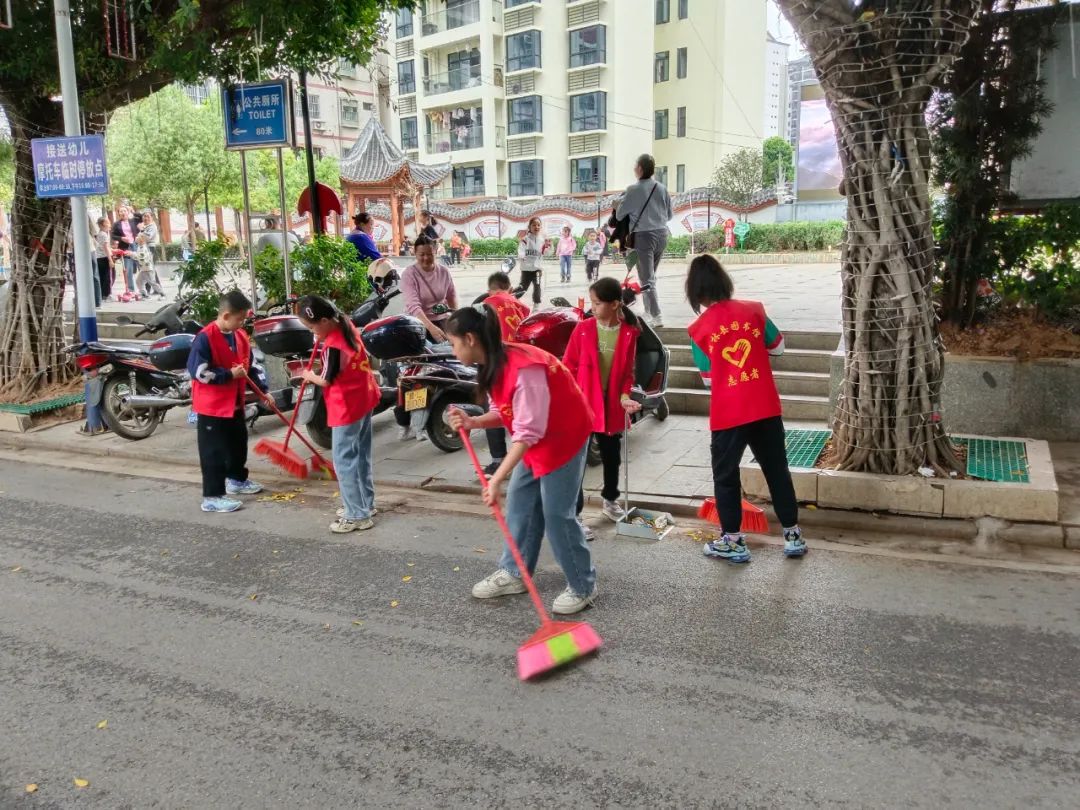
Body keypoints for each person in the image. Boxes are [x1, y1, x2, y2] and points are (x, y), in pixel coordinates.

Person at [445, 305, 598, 615]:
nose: (452, 350)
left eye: (453, 343)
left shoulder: (525, 369)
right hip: (536, 437)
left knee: (557, 515)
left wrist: (497, 478)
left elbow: (528, 431)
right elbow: (506, 413)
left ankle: (583, 585)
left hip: (563, 436)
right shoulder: (492, 364)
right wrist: (473, 422)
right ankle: (515, 572)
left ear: (470, 339)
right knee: (520, 503)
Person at [685, 254, 806, 563]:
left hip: (729, 414)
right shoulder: (754, 310)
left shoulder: (698, 329)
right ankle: (792, 535)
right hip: (764, 406)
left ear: (695, 292)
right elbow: (779, 348)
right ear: (724, 282)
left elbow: (709, 380)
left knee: (726, 476)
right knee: (777, 470)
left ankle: (733, 541)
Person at [563, 277, 641, 540]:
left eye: (597, 303)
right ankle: (575, 516)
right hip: (583, 404)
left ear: (615, 304)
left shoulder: (629, 333)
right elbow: (568, 366)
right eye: (592, 303)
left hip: (611, 407)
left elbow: (628, 373)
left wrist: (625, 396)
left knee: (611, 457)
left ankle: (610, 500)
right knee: (578, 463)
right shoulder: (583, 329)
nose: (592, 308)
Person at [297, 295, 382, 534]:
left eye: (312, 327)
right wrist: (320, 337)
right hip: (364, 398)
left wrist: (308, 375)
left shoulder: (333, 346)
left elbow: (325, 379)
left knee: (344, 461)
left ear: (325, 321)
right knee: (361, 455)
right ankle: (366, 504)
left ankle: (356, 515)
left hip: (346, 407)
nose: (312, 332)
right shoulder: (347, 325)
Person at [186, 290, 267, 513]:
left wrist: (263, 391)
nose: (242, 323)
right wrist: (229, 375)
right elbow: (199, 372)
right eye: (240, 319)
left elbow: (251, 367)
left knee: (237, 444)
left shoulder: (240, 336)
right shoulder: (205, 338)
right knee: (213, 452)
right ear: (226, 315)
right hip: (212, 407)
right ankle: (212, 496)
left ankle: (237, 479)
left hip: (235, 403)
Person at [615, 154, 673, 327]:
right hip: (662, 235)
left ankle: (656, 315)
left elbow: (619, 215)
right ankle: (649, 311)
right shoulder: (662, 188)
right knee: (650, 276)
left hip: (643, 236)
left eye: (635, 165)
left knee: (647, 279)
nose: (634, 168)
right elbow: (669, 215)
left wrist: (617, 205)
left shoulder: (633, 190)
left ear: (640, 168)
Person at [482, 271, 531, 476]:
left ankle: (498, 460)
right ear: (510, 289)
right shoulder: (522, 306)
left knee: (494, 409)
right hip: (522, 363)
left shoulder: (487, 303)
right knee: (520, 411)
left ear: (489, 290)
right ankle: (524, 457)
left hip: (498, 362)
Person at [401, 235, 458, 344]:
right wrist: (431, 328)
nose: (426, 258)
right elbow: (413, 306)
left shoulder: (444, 271)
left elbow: (451, 296)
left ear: (435, 252)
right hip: (417, 323)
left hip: (441, 320)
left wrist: (456, 319)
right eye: (422, 254)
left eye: (429, 254)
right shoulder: (409, 274)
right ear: (415, 253)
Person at [517, 217, 549, 306]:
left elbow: (546, 253)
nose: (536, 227)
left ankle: (536, 305)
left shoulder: (542, 241)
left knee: (537, 286)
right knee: (523, 288)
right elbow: (521, 250)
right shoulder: (525, 240)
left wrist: (548, 247)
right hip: (526, 269)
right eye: (534, 225)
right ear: (529, 227)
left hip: (537, 269)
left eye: (538, 225)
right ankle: (510, 298)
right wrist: (522, 256)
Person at [111, 204, 140, 292]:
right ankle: (130, 290)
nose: (123, 212)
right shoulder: (116, 224)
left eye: (124, 211)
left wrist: (133, 211)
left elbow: (140, 217)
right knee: (128, 269)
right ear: (119, 213)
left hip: (135, 245)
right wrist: (121, 238)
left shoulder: (133, 221)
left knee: (141, 266)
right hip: (125, 247)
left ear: (127, 212)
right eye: (121, 211)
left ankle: (145, 289)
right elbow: (113, 235)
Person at [134, 232, 165, 299]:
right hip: (143, 268)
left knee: (152, 282)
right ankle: (144, 294)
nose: (136, 238)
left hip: (148, 269)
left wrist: (132, 254)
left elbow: (141, 258)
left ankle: (162, 294)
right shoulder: (140, 246)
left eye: (138, 236)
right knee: (139, 281)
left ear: (142, 239)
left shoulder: (144, 247)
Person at [94, 216, 113, 302]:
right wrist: (110, 259)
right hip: (104, 257)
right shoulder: (104, 234)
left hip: (99, 257)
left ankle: (102, 294)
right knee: (107, 277)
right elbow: (105, 247)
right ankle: (106, 294)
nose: (109, 224)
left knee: (101, 276)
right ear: (103, 224)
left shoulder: (100, 234)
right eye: (108, 222)